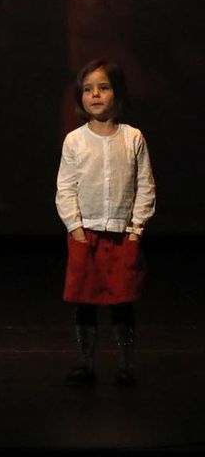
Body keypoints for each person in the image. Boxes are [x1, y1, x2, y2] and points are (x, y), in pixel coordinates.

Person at [56, 60, 156, 386]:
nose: (95, 94)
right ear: (80, 96)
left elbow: (145, 185)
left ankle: (126, 365)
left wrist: (136, 229)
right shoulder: (75, 141)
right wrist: (76, 229)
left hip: (123, 235)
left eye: (103, 87)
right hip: (86, 234)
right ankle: (85, 363)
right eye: (88, 89)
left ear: (118, 92)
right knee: (85, 302)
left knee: (122, 302)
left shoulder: (133, 138)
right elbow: (65, 188)